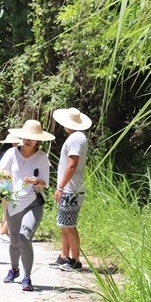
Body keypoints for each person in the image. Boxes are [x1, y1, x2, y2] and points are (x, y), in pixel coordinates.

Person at [0, 119, 54, 292]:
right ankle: (14, 269)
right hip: (14, 202)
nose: (28, 141)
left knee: (24, 238)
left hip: (33, 203)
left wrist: (36, 181)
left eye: (32, 138)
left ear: (38, 140)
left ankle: (27, 277)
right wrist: (2, 174)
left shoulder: (42, 157)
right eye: (26, 137)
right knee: (13, 241)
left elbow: (45, 182)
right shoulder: (12, 153)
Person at [50, 108, 92, 271]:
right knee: (64, 224)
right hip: (69, 188)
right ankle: (64, 256)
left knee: (69, 224)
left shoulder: (76, 138)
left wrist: (60, 186)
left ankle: (75, 260)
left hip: (71, 189)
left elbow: (72, 165)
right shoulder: (76, 137)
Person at [0, 133, 22, 242]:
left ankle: (4, 231)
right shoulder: (12, 155)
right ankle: (3, 232)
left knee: (6, 210)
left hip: (0, 185)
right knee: (11, 210)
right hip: (8, 185)